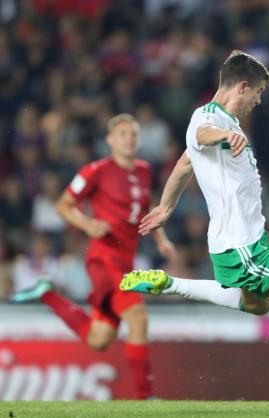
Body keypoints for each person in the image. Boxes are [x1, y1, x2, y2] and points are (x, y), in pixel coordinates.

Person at [118, 50, 269, 411]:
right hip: (242, 244)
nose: (259, 100)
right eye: (258, 92)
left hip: (244, 240)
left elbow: (186, 162)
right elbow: (201, 135)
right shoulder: (209, 119)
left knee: (258, 306)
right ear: (243, 86)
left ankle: (168, 283)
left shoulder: (226, 123)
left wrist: (167, 206)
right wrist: (223, 137)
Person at [11, 114, 176, 399]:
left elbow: (146, 206)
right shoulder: (95, 170)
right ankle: (145, 398)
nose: (129, 138)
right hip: (103, 260)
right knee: (138, 318)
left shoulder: (145, 170)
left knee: (99, 339)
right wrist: (87, 224)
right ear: (110, 140)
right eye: (122, 134)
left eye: (133, 134)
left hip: (126, 262)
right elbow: (64, 205)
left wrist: (161, 239)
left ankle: (47, 293)